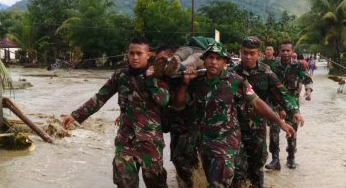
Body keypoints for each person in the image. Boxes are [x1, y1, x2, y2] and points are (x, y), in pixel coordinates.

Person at [174, 42, 295, 188]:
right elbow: (179, 105)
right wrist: (185, 83)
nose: (213, 61)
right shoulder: (196, 81)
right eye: (210, 57)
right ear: (204, 60)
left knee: (218, 184)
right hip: (205, 144)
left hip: (228, 144)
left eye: (218, 58)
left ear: (225, 61)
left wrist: (280, 122)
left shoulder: (237, 81)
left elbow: (257, 103)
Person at [62, 37, 170, 188]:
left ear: (148, 55)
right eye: (131, 53)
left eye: (139, 53)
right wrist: (76, 115)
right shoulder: (120, 76)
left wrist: (150, 80)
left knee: (155, 182)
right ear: (127, 54)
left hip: (150, 141)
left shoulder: (157, 75)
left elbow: (163, 100)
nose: (135, 57)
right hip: (125, 140)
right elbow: (100, 98)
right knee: (124, 182)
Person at [231, 36, 304, 188]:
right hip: (234, 130)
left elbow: (282, 94)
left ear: (259, 54)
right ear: (240, 52)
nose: (248, 56)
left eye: (252, 53)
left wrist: (295, 110)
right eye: (245, 53)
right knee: (237, 171)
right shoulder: (231, 74)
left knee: (256, 169)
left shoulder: (266, 72)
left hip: (257, 129)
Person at [154, 45, 200, 187]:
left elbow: (179, 104)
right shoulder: (163, 78)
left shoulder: (188, 74)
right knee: (179, 159)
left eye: (163, 60)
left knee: (188, 159)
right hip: (176, 126)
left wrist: (185, 82)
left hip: (193, 125)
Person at [266, 40, 313, 169]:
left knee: (292, 132)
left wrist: (308, 91)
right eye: (283, 50)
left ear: (292, 52)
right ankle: (275, 159)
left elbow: (307, 79)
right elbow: (269, 87)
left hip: (292, 106)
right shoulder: (273, 66)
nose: (285, 53)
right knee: (274, 132)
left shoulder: (298, 66)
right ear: (279, 51)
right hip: (275, 104)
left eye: (288, 50)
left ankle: (291, 157)